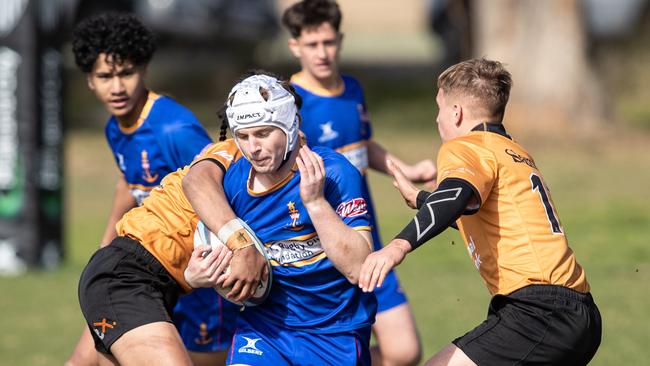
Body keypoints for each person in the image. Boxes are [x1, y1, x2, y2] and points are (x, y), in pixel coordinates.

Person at [359, 58, 602, 365]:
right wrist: (422, 198)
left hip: (539, 313)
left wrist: (397, 246)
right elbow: (481, 215)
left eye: (440, 108)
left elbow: (456, 194)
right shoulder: (514, 152)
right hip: (580, 312)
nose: (437, 120)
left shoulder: (466, 146)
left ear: (457, 112)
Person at [67, 12, 240, 366]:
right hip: (141, 270)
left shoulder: (173, 128)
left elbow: (219, 183)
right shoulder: (116, 128)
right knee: (86, 359)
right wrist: (107, 243)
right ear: (89, 81)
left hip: (199, 279)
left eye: (126, 73)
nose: (117, 87)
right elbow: (128, 183)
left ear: (144, 69)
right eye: (105, 77)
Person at [281, 1, 435, 365]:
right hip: (320, 248)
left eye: (329, 42)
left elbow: (362, 144)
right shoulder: (289, 102)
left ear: (341, 41)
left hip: (370, 238)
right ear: (295, 46)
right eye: (313, 44)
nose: (322, 53)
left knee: (404, 351)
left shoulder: (352, 89)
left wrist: (407, 170)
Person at [202, 72, 378, 365]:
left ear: (290, 126)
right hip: (264, 328)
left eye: (262, 133)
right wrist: (199, 274)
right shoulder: (234, 183)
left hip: (334, 334)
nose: (252, 148)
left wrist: (316, 203)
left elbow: (359, 269)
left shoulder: (334, 173)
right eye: (242, 137)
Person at [77, 135, 266, 365]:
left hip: (152, 285)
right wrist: (242, 246)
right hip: (125, 277)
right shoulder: (231, 154)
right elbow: (196, 181)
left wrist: (187, 279)